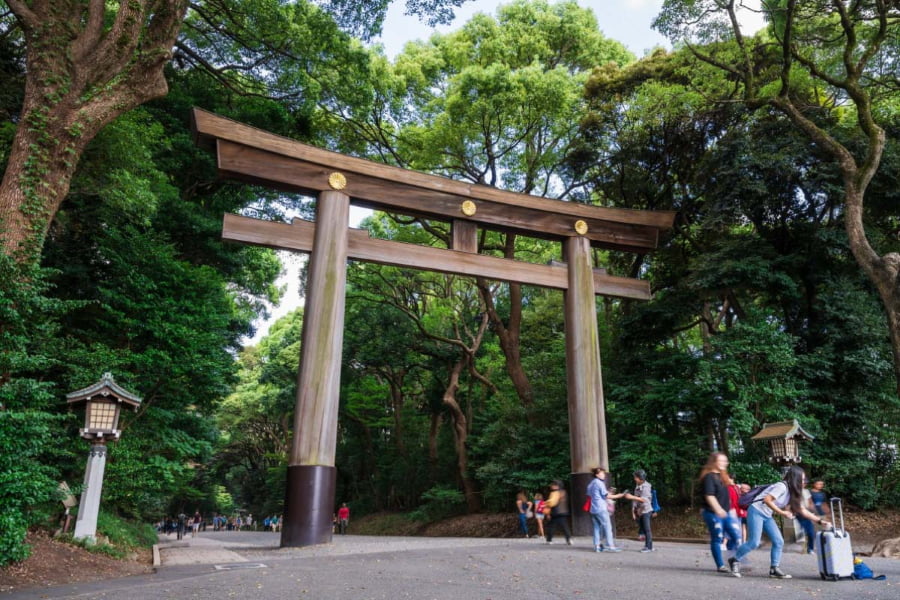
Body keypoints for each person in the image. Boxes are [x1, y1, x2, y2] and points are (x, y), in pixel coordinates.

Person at [728, 466, 832, 579]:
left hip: (767, 515)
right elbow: (767, 500)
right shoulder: (781, 486)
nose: (804, 482)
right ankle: (735, 560)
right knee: (754, 542)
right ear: (795, 478)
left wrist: (820, 521)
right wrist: (782, 513)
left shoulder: (792, 492)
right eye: (802, 479)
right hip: (756, 511)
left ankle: (774, 568)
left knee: (778, 541)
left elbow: (802, 510)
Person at [697, 452, 742, 573]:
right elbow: (709, 495)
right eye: (721, 461)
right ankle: (720, 565)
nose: (724, 463)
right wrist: (718, 509)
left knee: (736, 536)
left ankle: (734, 560)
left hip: (726, 512)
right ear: (714, 462)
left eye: (725, 461)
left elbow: (724, 496)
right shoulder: (709, 477)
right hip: (712, 512)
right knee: (717, 537)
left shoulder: (723, 477)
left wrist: (730, 509)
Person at [587, 467, 624, 552]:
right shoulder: (599, 483)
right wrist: (619, 495)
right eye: (602, 473)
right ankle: (610, 546)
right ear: (597, 475)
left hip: (593, 508)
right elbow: (606, 495)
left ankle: (597, 546)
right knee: (607, 526)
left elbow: (590, 494)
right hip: (601, 508)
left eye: (604, 473)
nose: (604, 475)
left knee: (596, 527)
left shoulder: (591, 483)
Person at [621, 469, 654, 552]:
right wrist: (633, 511)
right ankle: (649, 546)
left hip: (646, 510)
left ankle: (649, 547)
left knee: (647, 529)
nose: (634, 479)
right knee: (643, 528)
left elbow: (644, 500)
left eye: (635, 477)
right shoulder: (638, 485)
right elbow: (635, 500)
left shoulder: (646, 486)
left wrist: (631, 497)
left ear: (640, 478)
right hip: (640, 511)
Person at [544, 480, 572, 545]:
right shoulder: (564, 492)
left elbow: (552, 503)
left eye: (553, 485)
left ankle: (549, 540)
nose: (551, 486)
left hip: (555, 512)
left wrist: (545, 504)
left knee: (551, 526)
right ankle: (569, 539)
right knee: (565, 527)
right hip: (563, 512)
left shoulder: (554, 493)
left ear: (557, 486)